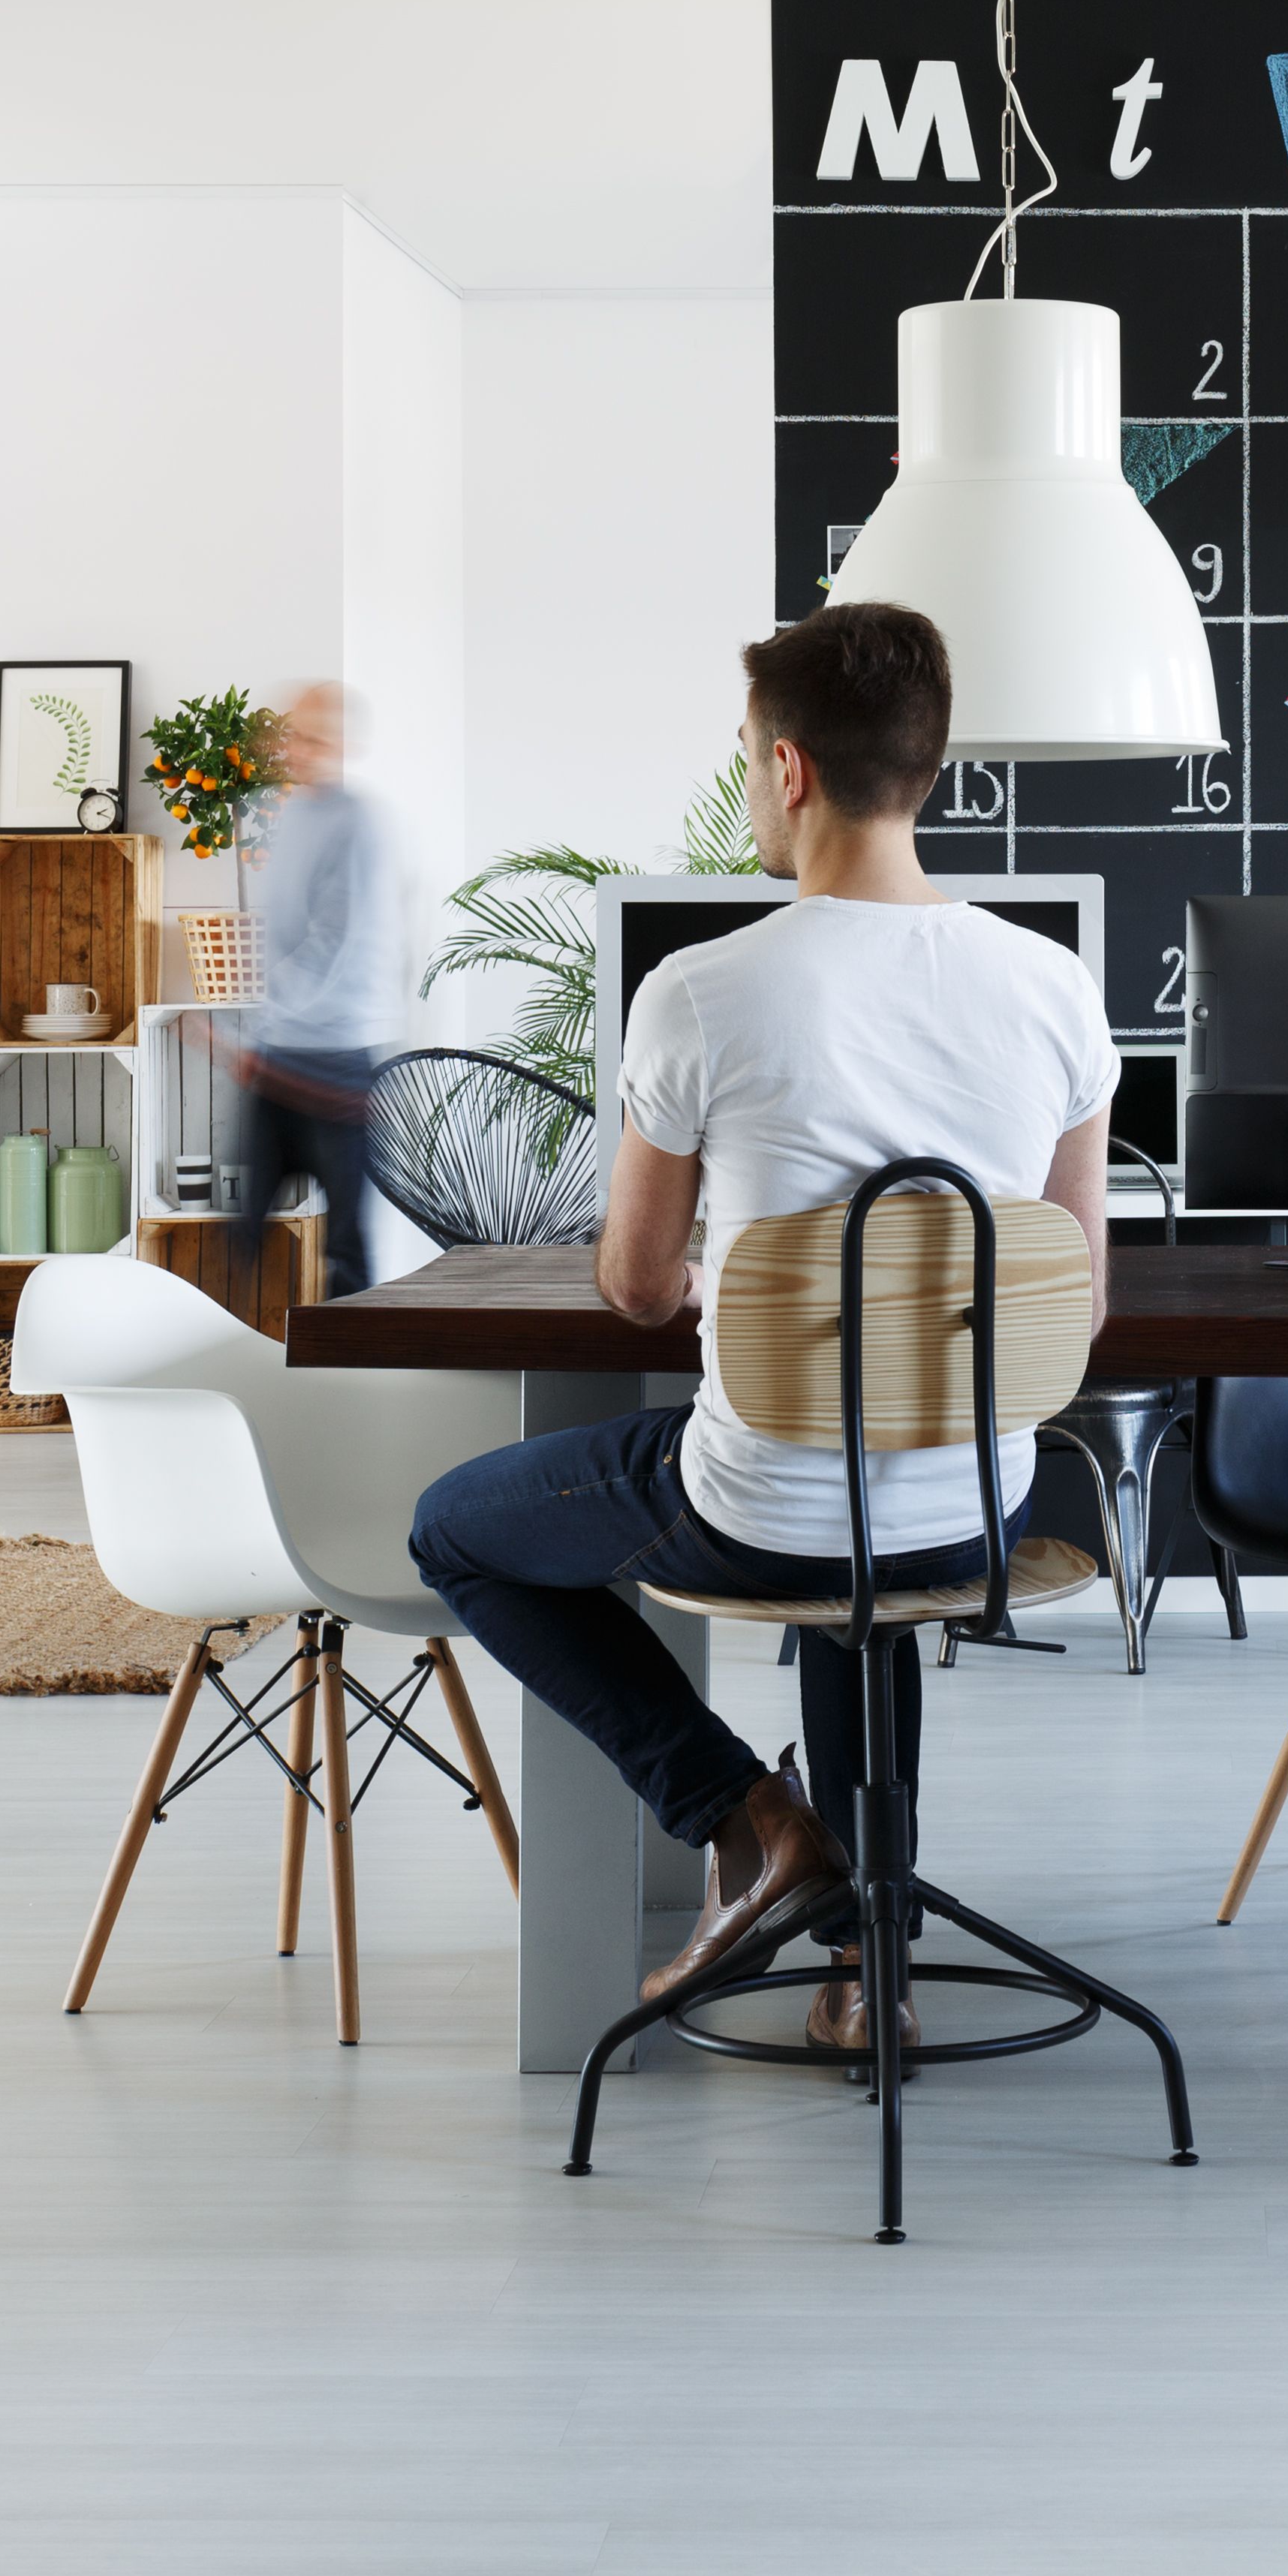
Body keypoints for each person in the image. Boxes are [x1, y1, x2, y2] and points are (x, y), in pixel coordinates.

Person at [406, 603, 1114, 2050]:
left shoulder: (703, 990)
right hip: (975, 1504)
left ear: (788, 770)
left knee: (455, 1530)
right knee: (871, 1576)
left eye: (747, 759)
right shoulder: (1054, 987)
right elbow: (1072, 1291)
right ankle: (873, 1973)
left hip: (762, 1504)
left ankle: (743, 1813)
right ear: (929, 765)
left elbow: (638, 1287)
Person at [233, 681, 403, 1297]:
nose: (300, 749)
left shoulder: (360, 823)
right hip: (280, 1051)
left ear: (342, 744)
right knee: (244, 1226)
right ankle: (229, 1358)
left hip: (337, 1059)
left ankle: (352, 1375)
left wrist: (261, 1014)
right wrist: (263, 1029)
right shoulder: (285, 811)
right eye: (295, 735)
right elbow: (281, 930)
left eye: (316, 737)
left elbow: (335, 940)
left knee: (346, 1244)